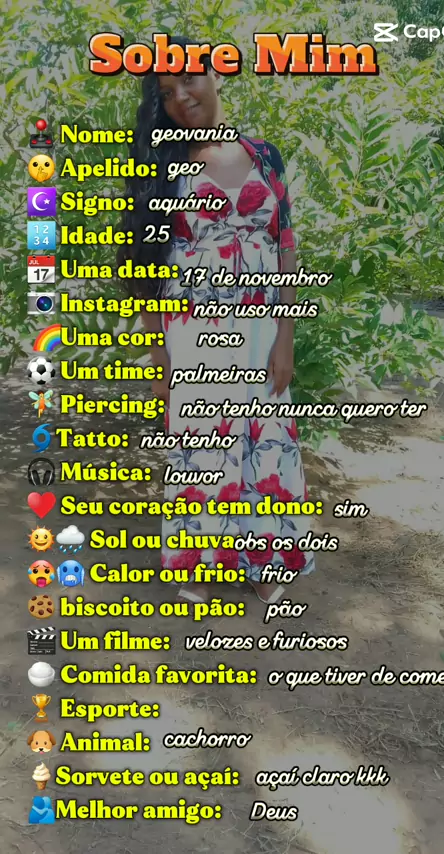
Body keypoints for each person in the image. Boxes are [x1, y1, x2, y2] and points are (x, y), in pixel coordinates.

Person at [120, 36, 315, 608]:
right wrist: (160, 357)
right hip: (193, 328)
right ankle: (199, 562)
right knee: (201, 443)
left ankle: (265, 560)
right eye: (166, 92)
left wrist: (286, 336)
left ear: (217, 75)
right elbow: (149, 270)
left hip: (261, 325)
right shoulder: (164, 165)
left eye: (189, 79)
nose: (181, 97)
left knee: (265, 437)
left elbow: (285, 247)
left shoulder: (265, 156)